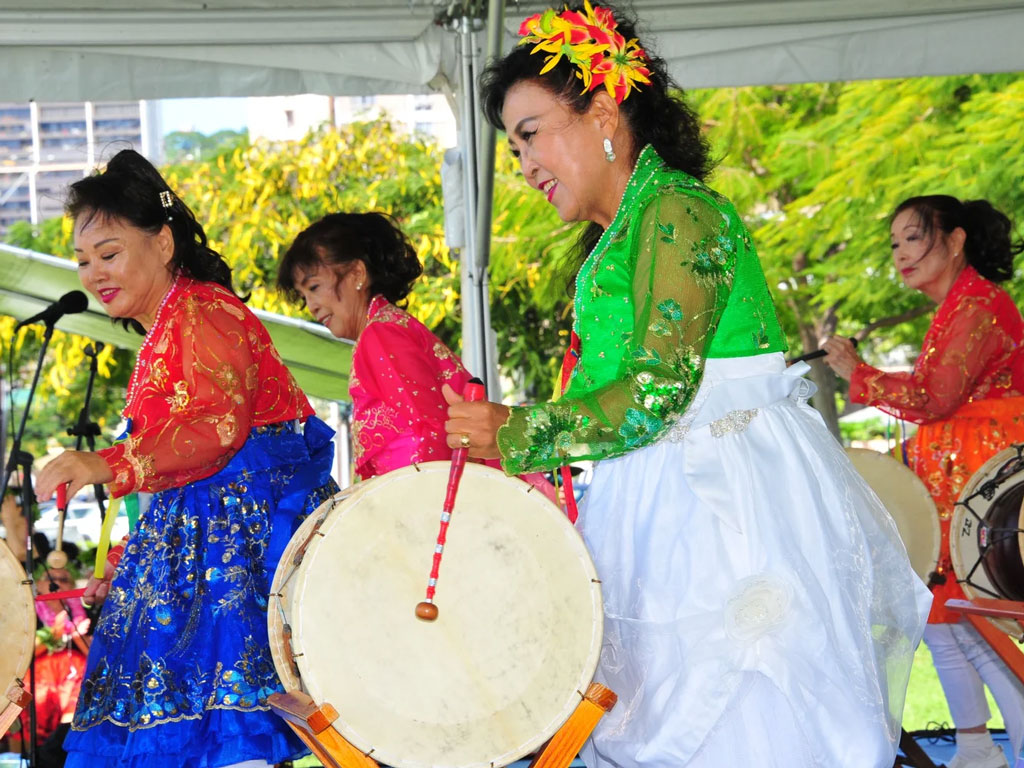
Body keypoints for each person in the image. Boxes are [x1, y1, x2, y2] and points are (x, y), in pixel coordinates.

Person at [443, 4, 931, 767]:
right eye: (513, 148)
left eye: (531, 134)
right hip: (657, 491)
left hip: (717, 500)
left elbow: (657, 389)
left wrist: (517, 428)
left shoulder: (676, 213)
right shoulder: (628, 229)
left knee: (741, 713)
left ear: (603, 112)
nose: (525, 163)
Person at [35, 149, 338, 768]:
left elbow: (216, 429)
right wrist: (128, 563)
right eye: (84, 259)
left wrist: (106, 464)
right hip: (206, 549)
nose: (94, 273)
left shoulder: (204, 309)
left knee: (229, 741)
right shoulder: (172, 323)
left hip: (242, 551)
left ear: (164, 243)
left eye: (110, 253)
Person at [824, 194, 1024, 768]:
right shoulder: (958, 305)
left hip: (984, 489)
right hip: (958, 480)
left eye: (913, 238)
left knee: (974, 619)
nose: (900, 254)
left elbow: (934, 397)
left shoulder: (979, 304)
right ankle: (975, 748)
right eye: (894, 244)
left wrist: (857, 373)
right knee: (943, 620)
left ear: (955, 241)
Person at [277, 211, 470, 480]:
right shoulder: (388, 326)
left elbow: (428, 437)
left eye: (315, 287)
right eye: (303, 295)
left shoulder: (379, 334)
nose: (311, 305)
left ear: (357, 273)